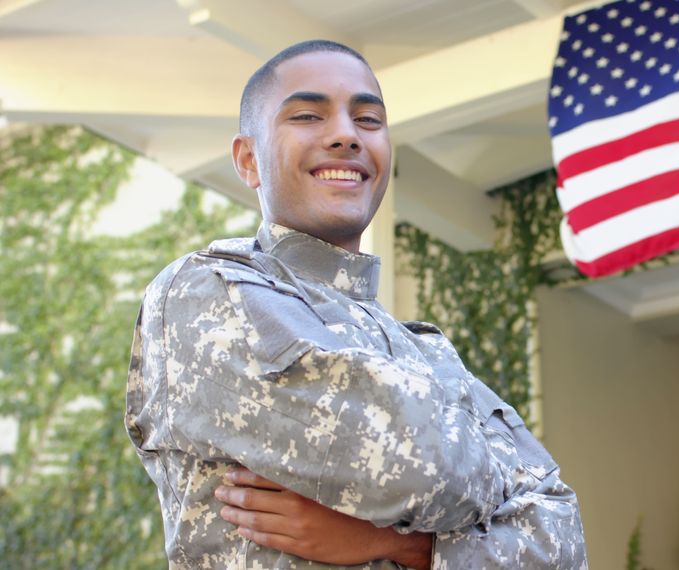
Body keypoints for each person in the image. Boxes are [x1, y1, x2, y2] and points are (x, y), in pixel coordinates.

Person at [125, 39, 587, 569]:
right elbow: (419, 467)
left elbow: (564, 540)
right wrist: (496, 491)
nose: (346, 135)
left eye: (368, 119)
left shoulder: (425, 349)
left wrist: (408, 546)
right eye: (306, 115)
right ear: (248, 159)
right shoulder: (207, 291)